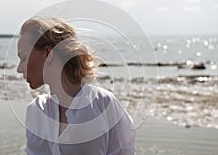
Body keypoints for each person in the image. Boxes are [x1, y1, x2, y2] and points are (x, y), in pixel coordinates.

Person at [17, 17, 135, 155]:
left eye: (24, 58)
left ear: (48, 53)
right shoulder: (36, 111)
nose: (19, 69)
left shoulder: (103, 103)